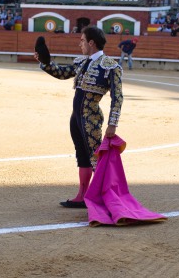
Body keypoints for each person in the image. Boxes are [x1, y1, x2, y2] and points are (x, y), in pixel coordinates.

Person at [35, 26, 124, 209]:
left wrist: (112, 124)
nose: (80, 44)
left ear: (91, 43)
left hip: (90, 119)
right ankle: (82, 196)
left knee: (95, 158)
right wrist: (45, 62)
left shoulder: (110, 66)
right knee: (82, 156)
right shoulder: (82, 62)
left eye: (82, 40)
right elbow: (62, 73)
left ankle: (103, 197)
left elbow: (118, 97)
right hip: (76, 118)